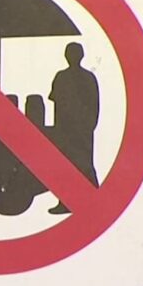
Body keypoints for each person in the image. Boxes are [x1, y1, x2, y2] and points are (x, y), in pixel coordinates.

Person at [47, 42, 100, 214]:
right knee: (77, 164)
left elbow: (93, 103)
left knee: (78, 164)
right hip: (75, 128)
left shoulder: (63, 77)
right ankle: (73, 202)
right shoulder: (84, 77)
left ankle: (93, 202)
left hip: (73, 128)